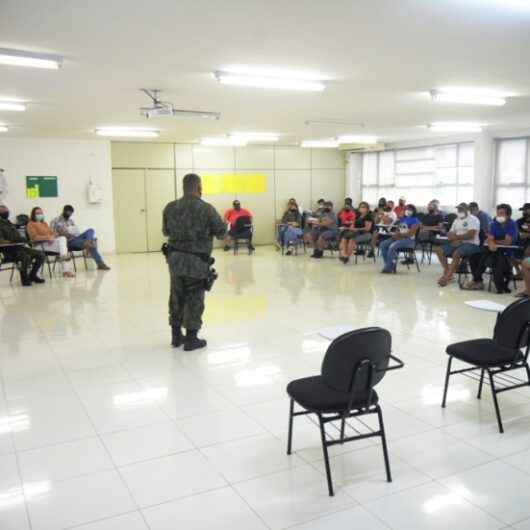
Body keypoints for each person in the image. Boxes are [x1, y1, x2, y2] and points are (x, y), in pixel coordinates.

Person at [163, 173, 226, 350]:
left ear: (183, 188)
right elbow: (221, 232)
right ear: (199, 188)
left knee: (176, 296)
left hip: (175, 260)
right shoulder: (206, 209)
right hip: (197, 261)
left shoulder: (170, 207)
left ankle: (176, 336)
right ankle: (191, 338)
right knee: (194, 298)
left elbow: (166, 231)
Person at [463, 203, 518, 293]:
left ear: (508, 215)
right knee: (474, 256)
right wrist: (491, 242)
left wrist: (493, 242)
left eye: (502, 213)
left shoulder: (512, 224)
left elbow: (508, 242)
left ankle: (477, 280)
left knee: (487, 256)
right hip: (492, 250)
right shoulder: (494, 223)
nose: (499, 215)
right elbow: (489, 238)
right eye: (498, 213)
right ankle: (478, 280)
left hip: (507, 251)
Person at [434, 203, 481, 287]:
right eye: (458, 210)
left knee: (457, 253)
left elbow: (471, 235)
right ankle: (449, 272)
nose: (459, 211)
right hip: (457, 242)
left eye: (461, 210)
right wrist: (451, 236)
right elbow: (451, 232)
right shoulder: (457, 220)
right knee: (438, 250)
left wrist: (457, 238)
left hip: (471, 244)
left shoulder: (474, 219)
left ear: (467, 210)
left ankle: (447, 277)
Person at [51, 205, 110, 270]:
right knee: (92, 243)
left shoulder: (71, 221)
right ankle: (100, 264)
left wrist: (74, 233)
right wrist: (63, 233)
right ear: (64, 211)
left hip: (75, 238)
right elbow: (52, 234)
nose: (69, 214)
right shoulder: (55, 221)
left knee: (91, 230)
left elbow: (75, 231)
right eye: (68, 212)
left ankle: (88, 242)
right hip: (66, 242)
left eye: (71, 213)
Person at [0, 204, 45, 286]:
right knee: (25, 256)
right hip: (7, 250)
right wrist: (11, 242)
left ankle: (32, 275)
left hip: (18, 246)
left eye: (7, 211)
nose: (6, 212)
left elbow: (17, 236)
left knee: (41, 254)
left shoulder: (9, 223)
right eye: (4, 211)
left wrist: (24, 240)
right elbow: (1, 241)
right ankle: (24, 279)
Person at [27, 207, 74, 278]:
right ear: (33, 214)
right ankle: (66, 270)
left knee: (62, 239)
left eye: (41, 213)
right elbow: (34, 237)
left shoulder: (44, 223)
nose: (40, 214)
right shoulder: (31, 224)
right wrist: (47, 238)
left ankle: (65, 266)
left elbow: (52, 233)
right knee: (64, 249)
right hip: (39, 245)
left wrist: (52, 237)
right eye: (37, 213)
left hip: (49, 244)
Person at [380, 204, 421, 273]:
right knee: (383, 244)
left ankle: (388, 267)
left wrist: (399, 235)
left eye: (410, 210)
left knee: (392, 246)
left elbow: (410, 234)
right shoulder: (403, 219)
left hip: (409, 240)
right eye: (406, 209)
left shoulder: (415, 221)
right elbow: (397, 229)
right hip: (399, 238)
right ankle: (390, 264)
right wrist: (395, 235)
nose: (408, 211)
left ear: (414, 211)